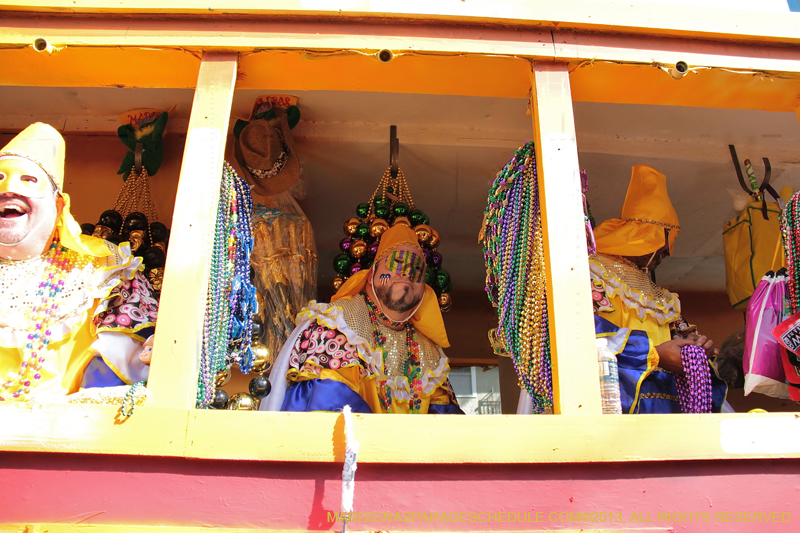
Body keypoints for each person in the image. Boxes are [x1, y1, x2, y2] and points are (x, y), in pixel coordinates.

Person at [0, 123, 158, 402]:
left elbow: (116, 370)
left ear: (59, 205)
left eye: (28, 180)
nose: (9, 189)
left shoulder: (106, 270)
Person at [261, 223, 463, 414]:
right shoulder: (337, 325)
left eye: (418, 270)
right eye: (397, 262)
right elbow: (328, 405)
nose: (407, 273)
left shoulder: (431, 355)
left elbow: (446, 426)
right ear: (371, 275)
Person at [590, 164, 727, 413]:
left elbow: (678, 335)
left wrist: (695, 347)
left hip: (669, 404)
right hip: (617, 402)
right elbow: (587, 332)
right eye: (663, 247)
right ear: (647, 237)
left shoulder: (660, 295)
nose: (667, 254)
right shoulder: (592, 273)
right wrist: (653, 353)